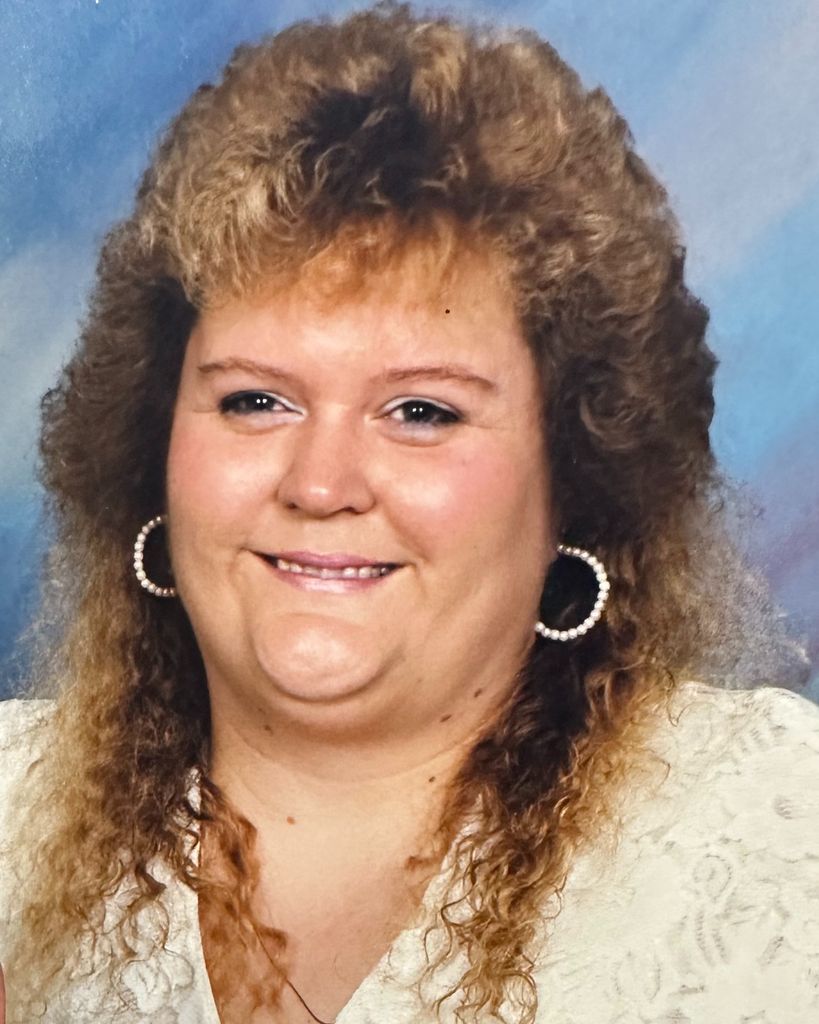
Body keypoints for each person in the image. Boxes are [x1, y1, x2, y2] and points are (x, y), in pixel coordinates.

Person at [1, 2, 818, 1022]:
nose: (320, 483)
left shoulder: (782, 835)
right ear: (154, 447)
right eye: (255, 400)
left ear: (574, 476)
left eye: (422, 411)